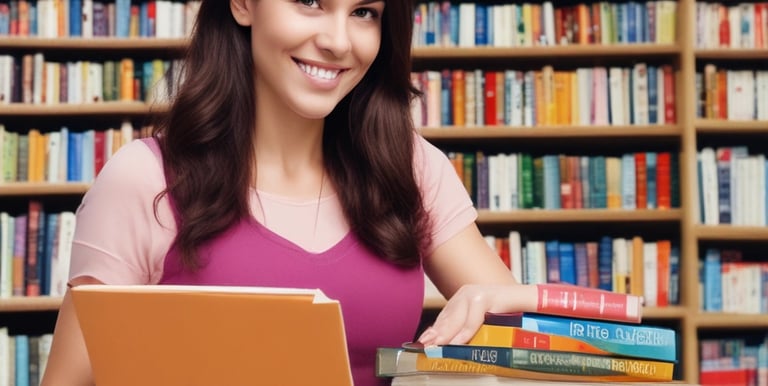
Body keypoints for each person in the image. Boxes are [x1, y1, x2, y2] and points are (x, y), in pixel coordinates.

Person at [41, 0, 537, 385]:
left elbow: (538, 342)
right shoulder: (146, 180)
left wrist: (498, 307)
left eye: (364, 12)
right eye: (310, 1)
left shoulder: (410, 167)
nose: (339, 41)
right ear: (242, 4)